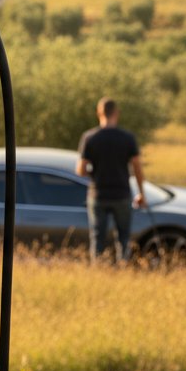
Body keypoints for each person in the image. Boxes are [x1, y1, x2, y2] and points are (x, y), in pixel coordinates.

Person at [76, 96, 146, 261]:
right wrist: (141, 193)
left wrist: (94, 171)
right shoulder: (127, 138)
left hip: (98, 194)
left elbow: (80, 170)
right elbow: (137, 168)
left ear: (98, 113)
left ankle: (98, 269)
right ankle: (123, 267)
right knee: (123, 237)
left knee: (97, 237)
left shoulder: (89, 137)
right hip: (121, 194)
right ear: (117, 113)